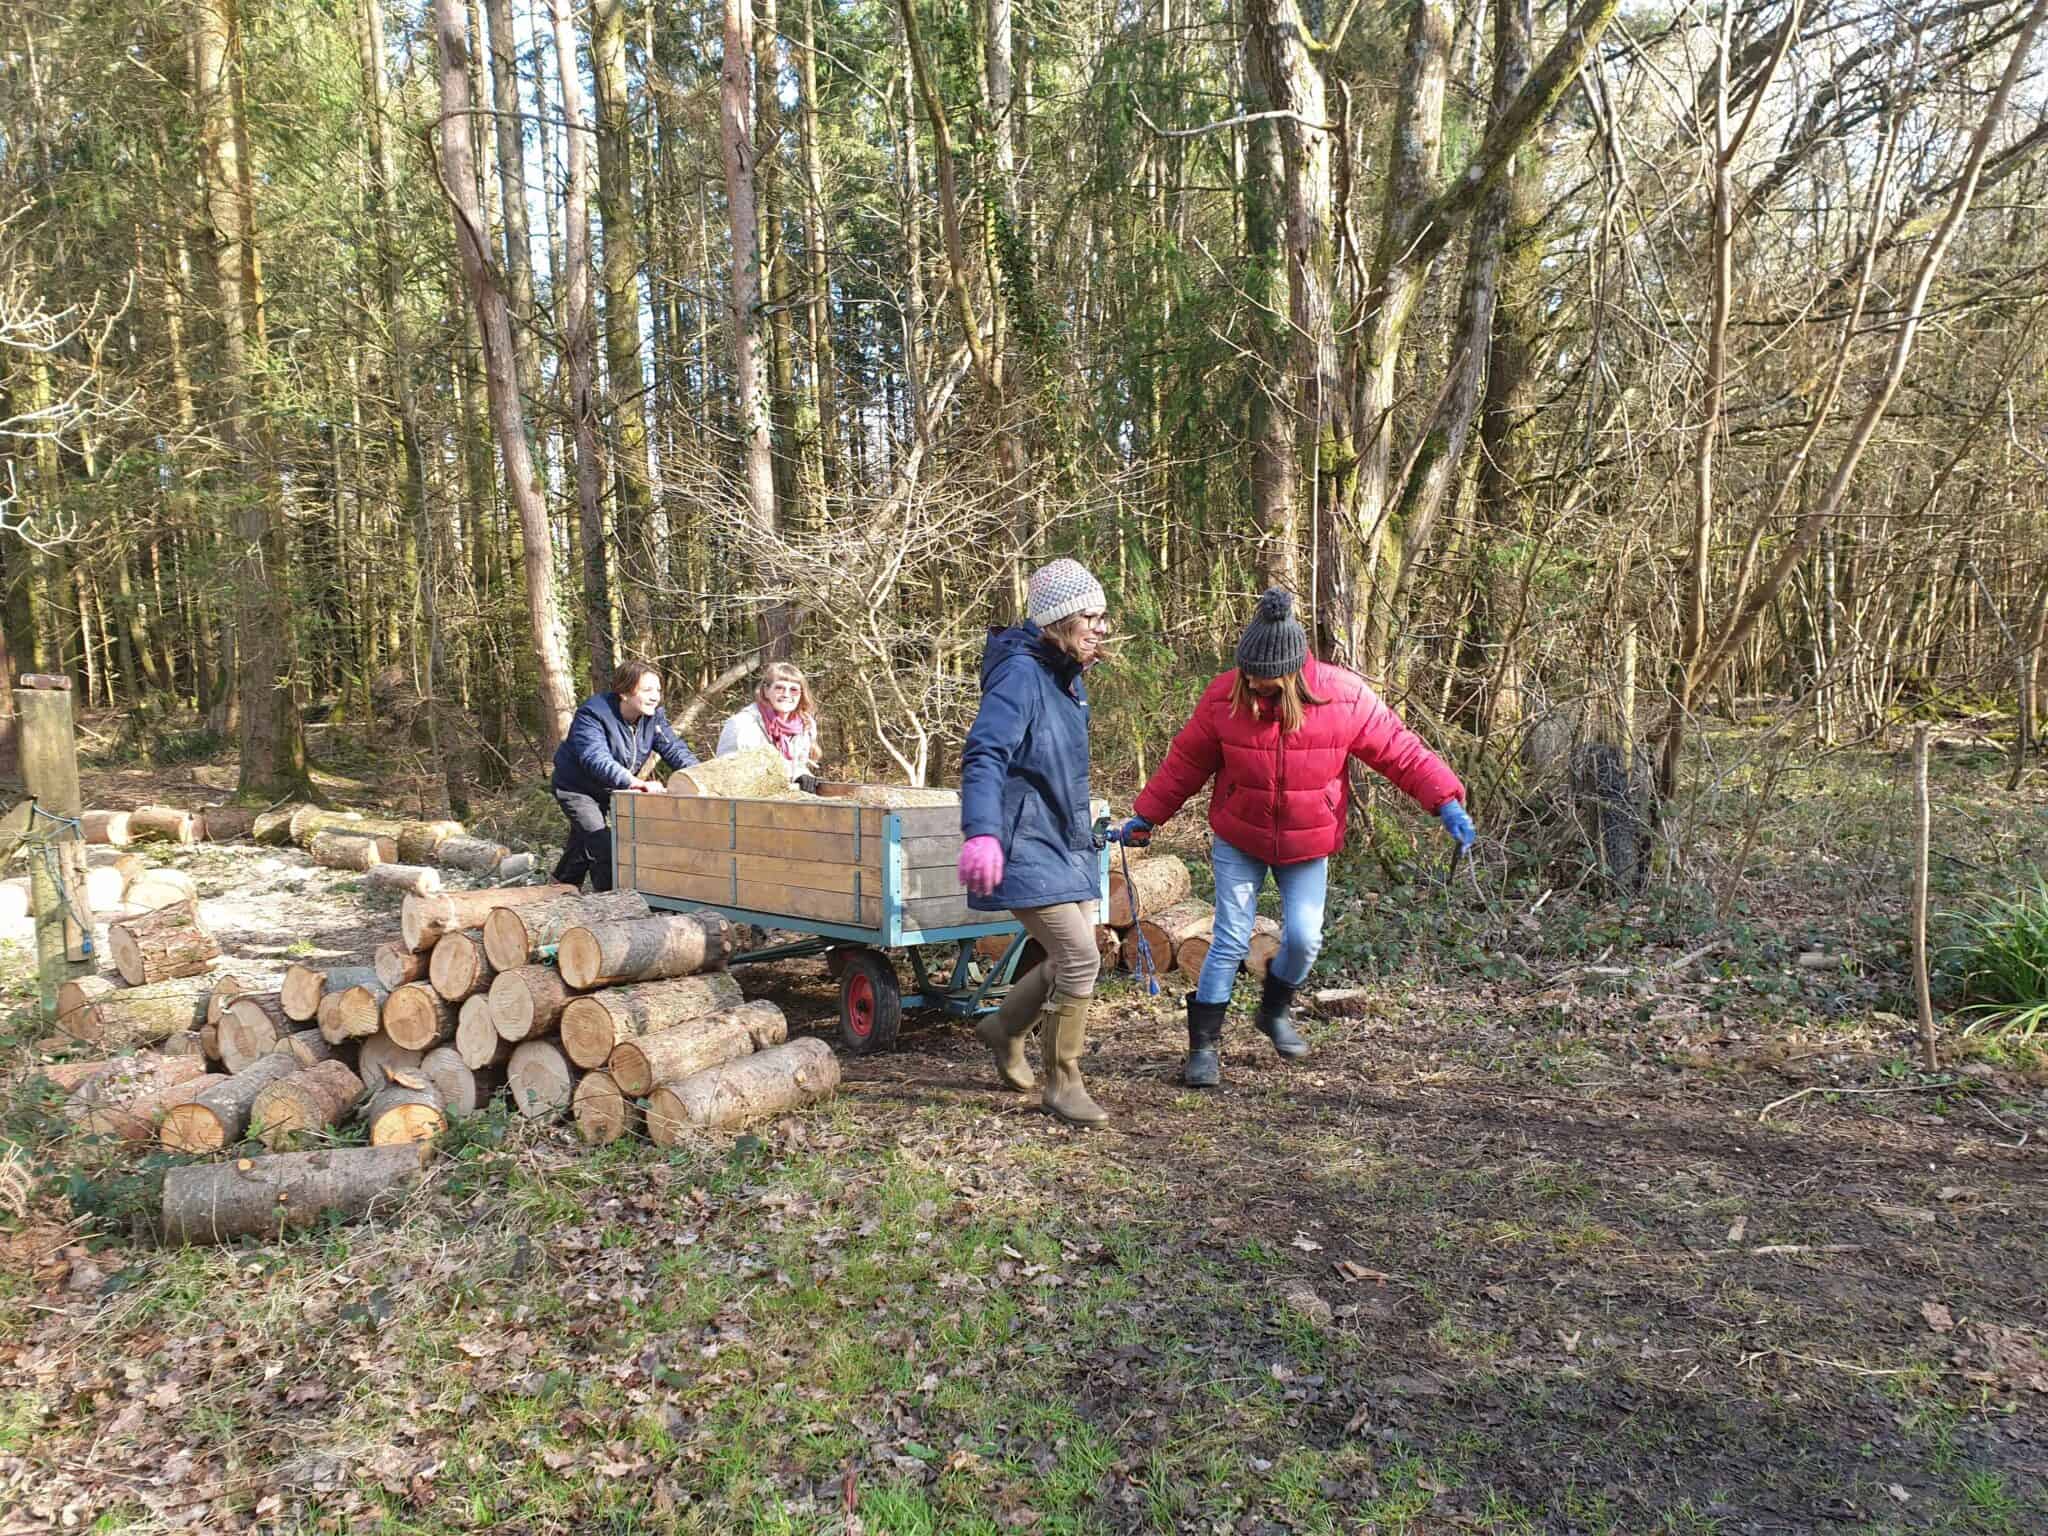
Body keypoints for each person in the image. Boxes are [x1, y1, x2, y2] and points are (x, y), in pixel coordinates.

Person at [1120, 590, 1475, 1088]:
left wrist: (1445, 800)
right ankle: (1203, 1048)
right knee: (1227, 939)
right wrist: (1147, 816)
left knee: (1306, 939)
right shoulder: (1224, 696)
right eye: (1250, 678)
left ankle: (1273, 1010)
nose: (1255, 689)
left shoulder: (1343, 696)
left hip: (1308, 842)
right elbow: (1186, 762)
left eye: (1266, 684)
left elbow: (1402, 750)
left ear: (1293, 674)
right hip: (1239, 835)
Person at [958, 558, 1115, 1127]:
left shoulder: (1065, 672)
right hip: (1021, 840)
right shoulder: (1021, 675)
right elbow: (985, 755)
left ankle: (1001, 1028)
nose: (1101, 627)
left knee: (1073, 954)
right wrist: (981, 833)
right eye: (1089, 617)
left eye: (1103, 616)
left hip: (1063, 835)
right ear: (1058, 620)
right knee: (1079, 957)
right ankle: (1063, 1083)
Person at [550, 661, 701, 892]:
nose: (655, 697)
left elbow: (674, 749)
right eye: (647, 690)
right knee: (604, 846)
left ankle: (559, 889)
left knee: (584, 840)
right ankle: (609, 904)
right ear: (624, 692)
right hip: (577, 789)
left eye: (658, 690)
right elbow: (596, 759)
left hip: (611, 787)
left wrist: (700, 777)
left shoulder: (653, 717)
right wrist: (637, 783)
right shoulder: (593, 714)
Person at [715, 660, 821, 792]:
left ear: (801, 694)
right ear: (765, 691)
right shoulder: (742, 724)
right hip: (749, 801)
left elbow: (798, 764)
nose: (786, 695)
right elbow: (726, 771)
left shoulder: (806, 725)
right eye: (779, 688)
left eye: (793, 690)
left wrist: (801, 775)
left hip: (788, 799)